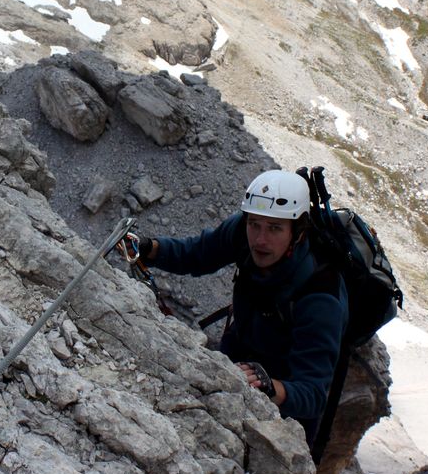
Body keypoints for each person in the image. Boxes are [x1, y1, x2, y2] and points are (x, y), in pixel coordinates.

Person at [132, 169, 348, 449]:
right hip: (237, 351)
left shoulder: (320, 295)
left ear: (298, 231)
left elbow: (313, 394)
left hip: (284, 398)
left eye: (274, 228)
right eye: (255, 224)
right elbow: (198, 254)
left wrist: (270, 387)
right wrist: (149, 249)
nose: (260, 239)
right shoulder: (241, 231)